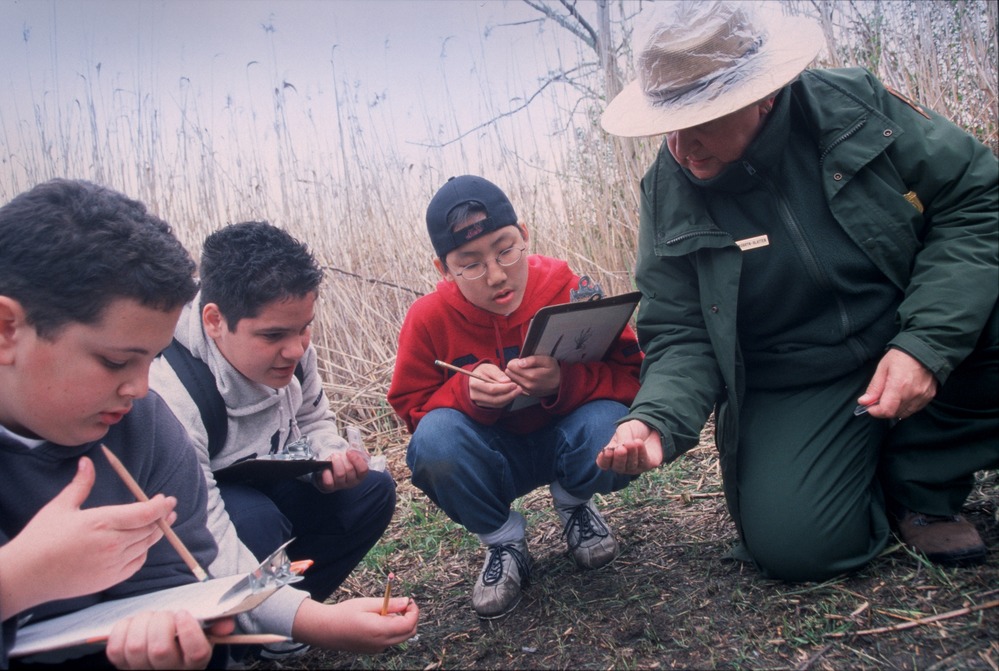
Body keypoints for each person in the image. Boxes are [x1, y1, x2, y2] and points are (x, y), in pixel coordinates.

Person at [597, 0, 998, 582]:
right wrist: (655, 420)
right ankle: (862, 472)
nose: (683, 147)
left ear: (764, 93)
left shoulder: (853, 107)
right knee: (798, 547)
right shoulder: (667, 191)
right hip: (797, 376)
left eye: (704, 118)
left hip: (905, 320)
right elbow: (682, 331)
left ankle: (923, 483)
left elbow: (975, 199)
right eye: (669, 125)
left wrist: (926, 345)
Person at [149, 221, 415, 661]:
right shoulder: (171, 393)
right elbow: (204, 531)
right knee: (256, 521)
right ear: (214, 321)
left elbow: (313, 416)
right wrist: (324, 626)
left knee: (370, 493)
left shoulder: (292, 344)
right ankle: (241, 638)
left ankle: (277, 626)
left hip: (270, 478)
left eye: (304, 328)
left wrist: (329, 455)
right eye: (273, 336)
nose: (296, 350)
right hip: (202, 528)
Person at [0, 179, 235, 669]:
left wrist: (174, 636)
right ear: (7, 329)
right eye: (114, 361)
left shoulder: (143, 427)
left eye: (151, 360)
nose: (140, 389)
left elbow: (176, 580)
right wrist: (19, 579)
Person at [388, 175, 643, 618]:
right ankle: (503, 540)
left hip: (568, 438)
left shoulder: (566, 287)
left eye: (506, 248)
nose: (497, 274)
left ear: (524, 234)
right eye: (469, 263)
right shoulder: (427, 319)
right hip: (494, 455)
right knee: (436, 441)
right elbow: (411, 410)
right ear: (443, 269)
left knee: (612, 426)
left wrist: (563, 383)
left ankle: (574, 501)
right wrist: (464, 393)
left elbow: (631, 374)